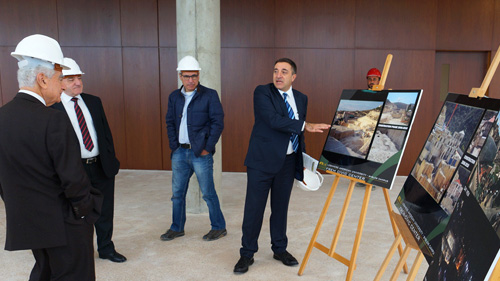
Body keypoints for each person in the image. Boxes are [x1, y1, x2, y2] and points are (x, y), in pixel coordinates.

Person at [0, 34, 102, 280]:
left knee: (44, 272)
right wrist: (85, 212)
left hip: (30, 222)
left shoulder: (2, 117)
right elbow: (73, 178)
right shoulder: (53, 119)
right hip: (64, 223)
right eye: (59, 79)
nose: (62, 85)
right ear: (42, 79)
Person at [234, 58, 330, 274]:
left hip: (287, 162)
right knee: (254, 210)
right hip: (261, 162)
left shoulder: (301, 98)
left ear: (293, 77)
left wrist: (302, 161)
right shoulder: (262, 92)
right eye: (276, 70)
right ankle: (246, 253)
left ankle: (279, 249)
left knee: (280, 209)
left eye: (284, 72)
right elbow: (273, 120)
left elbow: (298, 135)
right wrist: (306, 125)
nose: (278, 75)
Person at [51, 58, 126, 263]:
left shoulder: (94, 101)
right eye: (70, 78)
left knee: (104, 211)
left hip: (100, 166)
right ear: (60, 82)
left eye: (79, 77)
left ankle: (106, 248)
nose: (77, 82)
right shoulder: (52, 108)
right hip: (75, 170)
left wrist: (112, 159)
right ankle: (80, 254)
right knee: (78, 213)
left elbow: (105, 133)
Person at [162, 55, 226, 242]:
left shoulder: (210, 95)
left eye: (194, 76)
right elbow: (169, 122)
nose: (191, 80)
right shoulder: (174, 97)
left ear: (198, 76)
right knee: (177, 194)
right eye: (187, 76)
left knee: (208, 193)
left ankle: (219, 227)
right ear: (180, 77)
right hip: (180, 153)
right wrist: (174, 146)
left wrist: (207, 147)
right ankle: (177, 228)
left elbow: (218, 123)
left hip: (200, 153)